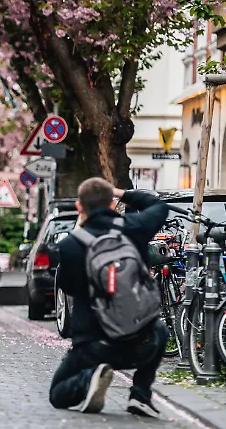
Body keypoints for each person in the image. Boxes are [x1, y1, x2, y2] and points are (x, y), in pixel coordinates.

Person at [49, 178, 169, 417]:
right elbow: (159, 206)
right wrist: (121, 192)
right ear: (112, 204)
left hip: (93, 346)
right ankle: (140, 394)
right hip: (141, 340)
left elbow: (67, 286)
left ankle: (89, 378)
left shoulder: (71, 245)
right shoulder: (133, 227)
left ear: (79, 206)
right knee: (161, 330)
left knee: (58, 394)